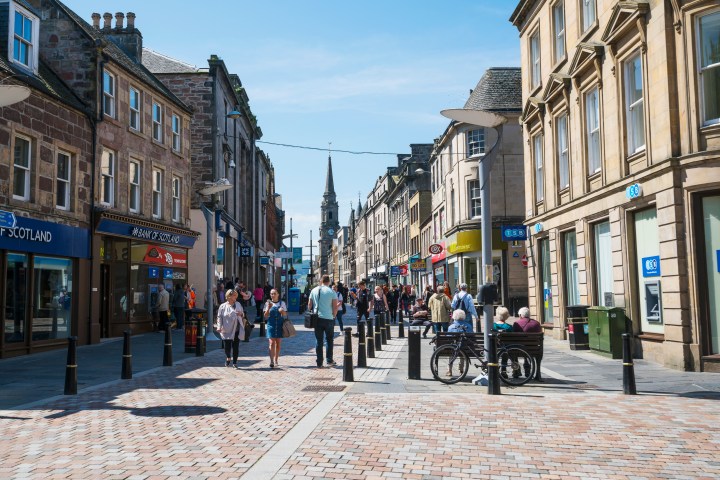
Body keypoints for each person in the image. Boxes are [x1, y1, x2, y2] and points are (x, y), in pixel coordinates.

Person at [308, 275, 339, 368]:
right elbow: (335, 306)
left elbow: (309, 305)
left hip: (317, 318)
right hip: (328, 318)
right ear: (329, 281)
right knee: (329, 340)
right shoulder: (332, 291)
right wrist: (334, 315)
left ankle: (319, 362)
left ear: (321, 281)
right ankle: (329, 360)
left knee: (319, 340)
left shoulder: (314, 290)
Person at [216, 289, 245, 368]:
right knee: (227, 346)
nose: (235, 297)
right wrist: (219, 326)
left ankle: (235, 362)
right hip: (226, 328)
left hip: (237, 328)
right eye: (234, 295)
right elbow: (219, 317)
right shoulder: (223, 306)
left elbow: (243, 314)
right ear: (229, 296)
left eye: (236, 295)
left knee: (236, 346)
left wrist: (241, 314)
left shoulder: (238, 304)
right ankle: (228, 357)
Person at [264, 289, 288, 368]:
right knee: (271, 343)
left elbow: (285, 315)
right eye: (271, 294)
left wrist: (282, 311)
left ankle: (276, 359)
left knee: (278, 344)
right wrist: (268, 308)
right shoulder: (267, 303)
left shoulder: (282, 303)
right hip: (271, 325)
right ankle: (271, 361)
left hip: (279, 325)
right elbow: (265, 316)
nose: (272, 295)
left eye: (274, 293)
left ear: (278, 294)